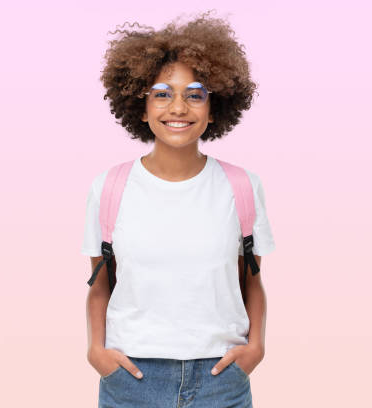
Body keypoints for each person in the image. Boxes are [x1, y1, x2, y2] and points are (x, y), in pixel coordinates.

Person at [82, 10, 276, 407]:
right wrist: (97, 354)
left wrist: (255, 349)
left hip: (220, 379)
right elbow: (99, 285)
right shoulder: (110, 188)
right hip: (131, 380)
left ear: (213, 106)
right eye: (162, 93)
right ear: (140, 105)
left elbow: (252, 281)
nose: (178, 107)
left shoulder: (241, 186)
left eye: (194, 94)